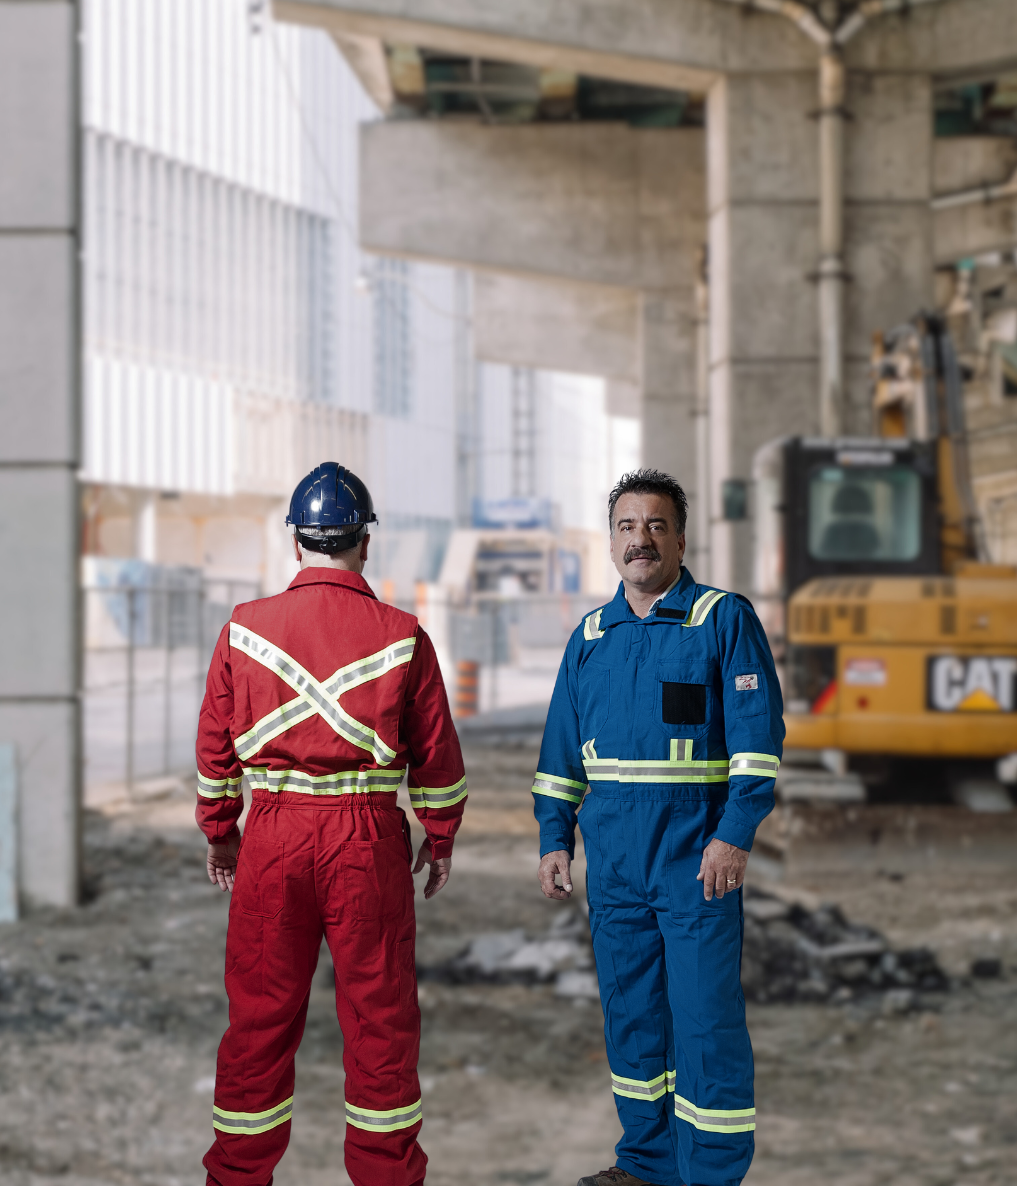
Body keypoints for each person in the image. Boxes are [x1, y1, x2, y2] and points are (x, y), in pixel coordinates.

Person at [196, 462, 466, 1186]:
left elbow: (215, 747)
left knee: (257, 1022)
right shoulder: (404, 635)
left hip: (274, 842)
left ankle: (237, 1177)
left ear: (296, 544)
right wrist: (439, 837)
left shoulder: (244, 630)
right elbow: (437, 754)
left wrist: (222, 831)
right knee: (380, 1025)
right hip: (366, 844)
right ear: (364, 545)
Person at [532, 469, 783, 1186]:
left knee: (704, 1024)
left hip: (693, 861)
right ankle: (646, 1163)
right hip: (614, 868)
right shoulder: (590, 638)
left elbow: (758, 740)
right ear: (610, 543)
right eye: (626, 526)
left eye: (655, 526)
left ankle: (711, 1172)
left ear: (679, 537)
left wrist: (734, 834)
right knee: (633, 1017)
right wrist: (556, 837)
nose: (640, 539)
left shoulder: (720, 620)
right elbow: (559, 755)